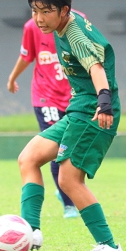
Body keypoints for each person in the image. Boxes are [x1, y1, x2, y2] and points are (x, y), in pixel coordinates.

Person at [17, 0, 123, 251]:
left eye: (46, 11)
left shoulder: (73, 32)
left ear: (64, 10)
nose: (39, 19)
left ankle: (109, 247)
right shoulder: (60, 26)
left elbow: (95, 67)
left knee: (68, 179)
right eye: (35, 11)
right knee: (28, 159)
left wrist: (104, 101)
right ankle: (30, 230)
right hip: (78, 108)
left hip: (93, 111)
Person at [7, 14, 79, 219]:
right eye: (35, 9)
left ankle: (63, 188)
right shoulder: (32, 27)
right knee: (57, 148)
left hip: (75, 98)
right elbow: (26, 56)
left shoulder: (79, 22)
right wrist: (12, 78)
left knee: (72, 149)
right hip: (46, 97)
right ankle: (68, 205)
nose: (39, 15)